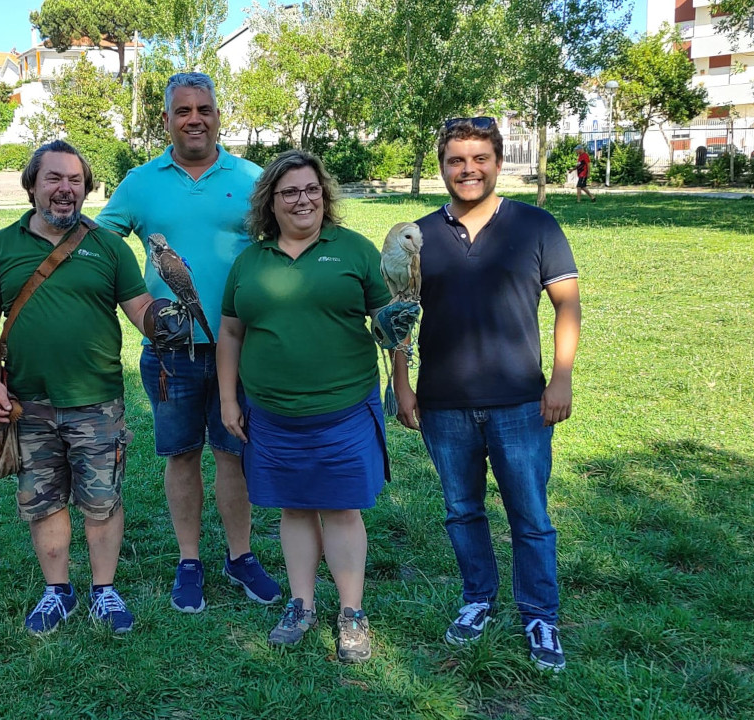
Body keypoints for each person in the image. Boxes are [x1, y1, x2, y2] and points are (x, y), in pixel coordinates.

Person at [393, 117, 581, 672]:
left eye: (479, 158)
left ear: (498, 163)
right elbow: (401, 317)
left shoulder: (537, 227)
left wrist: (562, 377)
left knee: (530, 514)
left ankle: (539, 614)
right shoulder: (418, 237)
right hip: (443, 404)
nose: (467, 169)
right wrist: (401, 383)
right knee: (461, 511)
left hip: (521, 402)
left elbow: (566, 304)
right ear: (443, 167)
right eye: (456, 160)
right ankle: (478, 598)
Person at [97, 72, 280, 613]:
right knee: (181, 456)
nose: (194, 118)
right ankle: (189, 560)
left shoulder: (252, 178)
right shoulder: (140, 181)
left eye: (204, 108)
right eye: (183, 111)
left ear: (219, 115)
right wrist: (136, 307)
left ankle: (241, 556)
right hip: (171, 353)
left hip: (240, 349)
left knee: (234, 454)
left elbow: (289, 242)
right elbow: (100, 247)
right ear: (167, 119)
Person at [0, 140, 159, 636]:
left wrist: (163, 321)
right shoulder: (2, 245)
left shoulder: (108, 245)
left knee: (102, 500)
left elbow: (139, 307)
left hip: (97, 402)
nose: (65, 189)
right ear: (32, 185)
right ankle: (58, 591)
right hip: (27, 403)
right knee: (43, 499)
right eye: (53, 178)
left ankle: (104, 590)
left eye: (75, 180)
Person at [217, 150, 392, 663]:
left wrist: (401, 369)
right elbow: (230, 331)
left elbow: (389, 328)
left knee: (340, 509)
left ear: (325, 195)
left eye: (311, 189)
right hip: (272, 415)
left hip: (343, 410)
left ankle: (352, 614)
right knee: (294, 508)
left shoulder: (355, 252)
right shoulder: (250, 261)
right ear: (271, 201)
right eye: (290, 191)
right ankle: (301, 605)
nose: (303, 199)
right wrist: (229, 399)